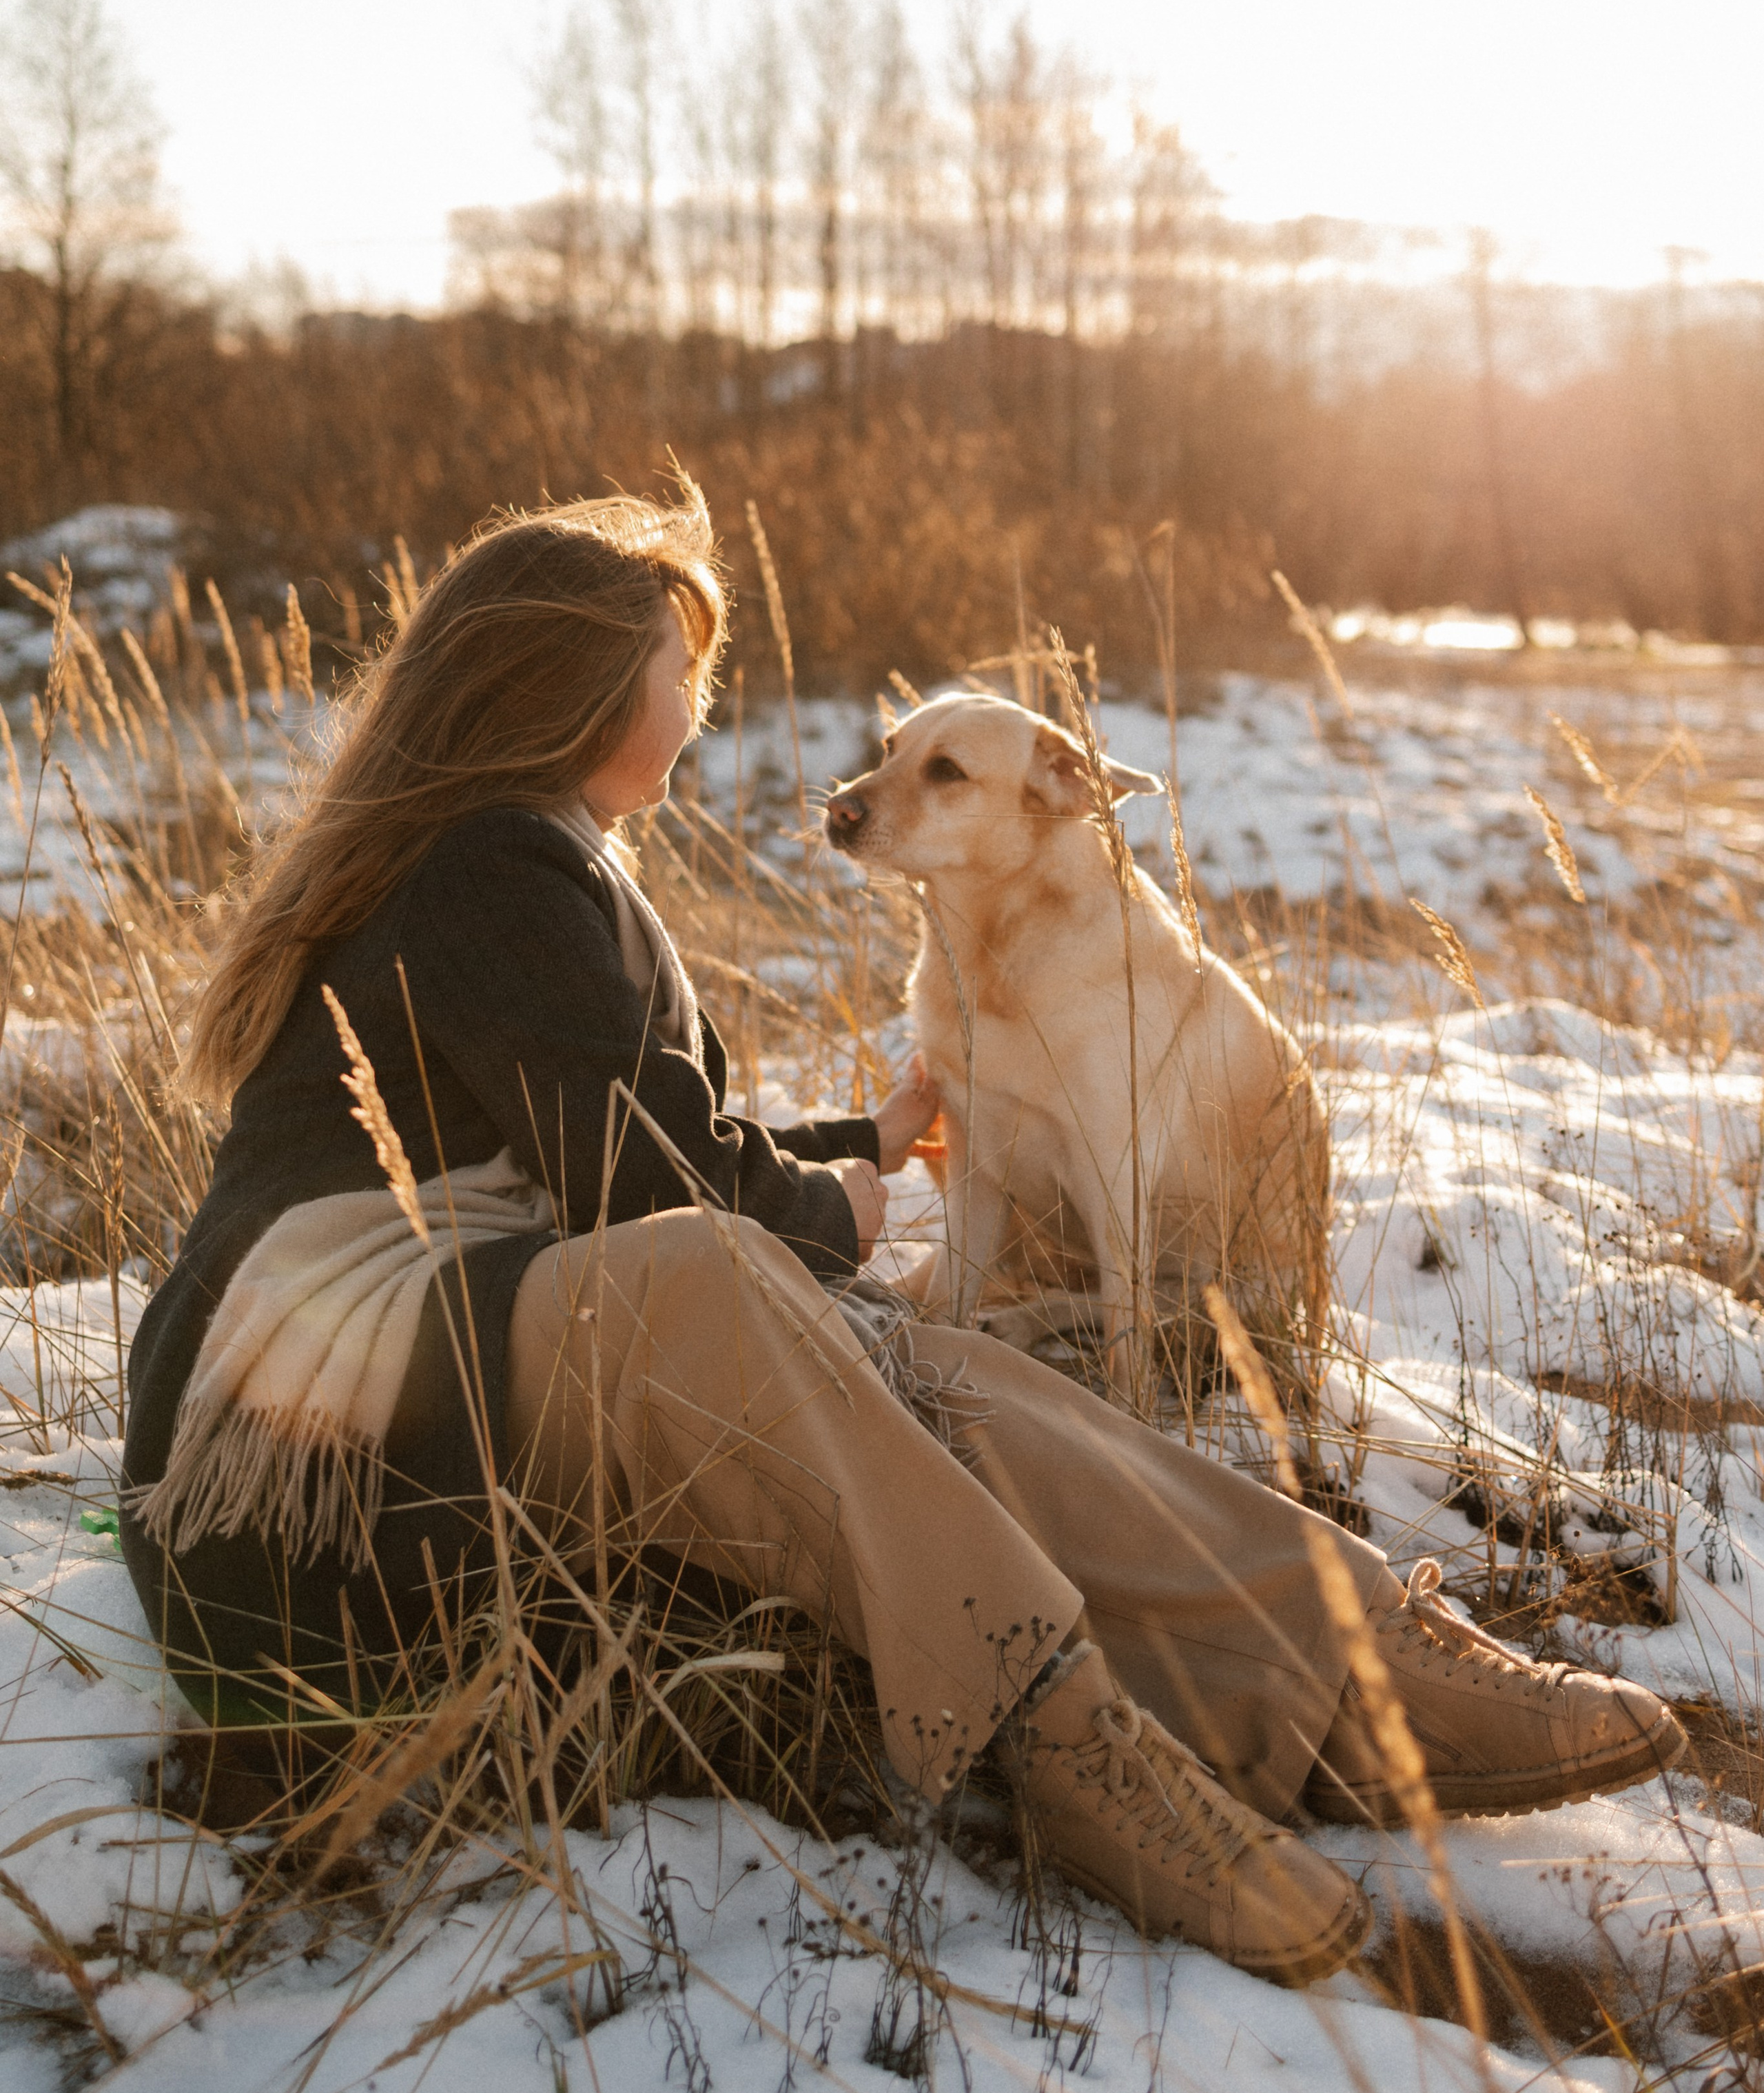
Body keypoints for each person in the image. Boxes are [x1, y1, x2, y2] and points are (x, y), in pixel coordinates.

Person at [121, 490, 1686, 1987]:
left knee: (923, 1370)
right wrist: (826, 1211)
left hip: (428, 1354)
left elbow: (598, 1146)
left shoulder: (521, 852)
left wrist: (848, 1152)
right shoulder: (490, 857)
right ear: (580, 683)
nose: (699, 699)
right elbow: (640, 1187)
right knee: (745, 1282)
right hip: (302, 1440)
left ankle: (1363, 1658)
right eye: (681, 668)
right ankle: (1072, 1742)